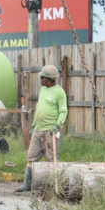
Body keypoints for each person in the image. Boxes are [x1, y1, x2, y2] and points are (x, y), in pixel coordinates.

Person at [16, 64, 68, 192]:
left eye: (42, 78)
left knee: (51, 159)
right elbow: (39, 107)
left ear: (49, 79)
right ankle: (27, 184)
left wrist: (57, 125)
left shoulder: (59, 92)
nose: (40, 80)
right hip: (38, 130)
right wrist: (33, 126)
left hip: (50, 131)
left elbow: (63, 111)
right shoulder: (42, 90)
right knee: (31, 157)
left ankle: (52, 186)